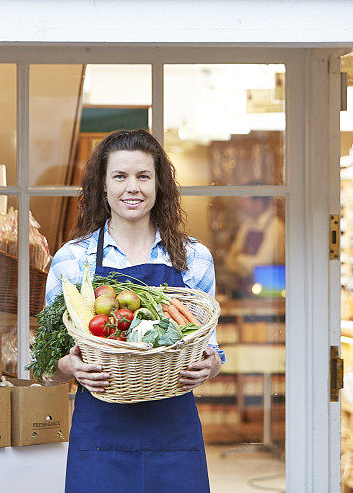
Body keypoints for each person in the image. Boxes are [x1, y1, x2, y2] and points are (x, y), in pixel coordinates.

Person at [45, 129, 225, 493]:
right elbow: (49, 365)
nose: (133, 188)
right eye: (120, 176)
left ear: (159, 185)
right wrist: (70, 367)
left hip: (172, 433)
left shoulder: (193, 259)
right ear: (103, 185)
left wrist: (212, 365)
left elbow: (211, 349)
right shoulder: (72, 259)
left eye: (143, 176)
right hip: (100, 436)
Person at [222, 195, 285, 294]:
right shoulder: (246, 225)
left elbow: (262, 264)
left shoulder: (275, 226)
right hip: (243, 291)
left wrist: (239, 259)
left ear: (259, 202)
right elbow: (229, 262)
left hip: (268, 292)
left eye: (244, 201)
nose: (241, 205)